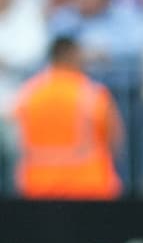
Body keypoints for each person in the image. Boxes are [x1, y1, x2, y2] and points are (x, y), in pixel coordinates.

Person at [12, 35, 123, 200]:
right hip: (89, 186)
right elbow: (115, 140)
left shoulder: (28, 93)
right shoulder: (91, 94)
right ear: (73, 56)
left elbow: (16, 138)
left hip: (37, 186)